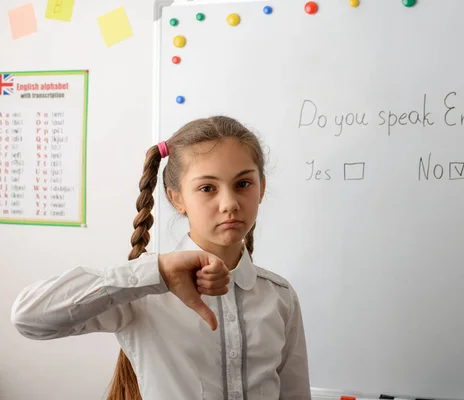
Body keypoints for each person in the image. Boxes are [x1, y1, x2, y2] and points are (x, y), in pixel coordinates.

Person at [11, 116, 311, 400]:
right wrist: (156, 273)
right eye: (207, 188)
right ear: (176, 197)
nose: (229, 204)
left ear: (262, 188)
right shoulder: (142, 292)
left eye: (243, 184)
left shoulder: (280, 297)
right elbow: (28, 318)